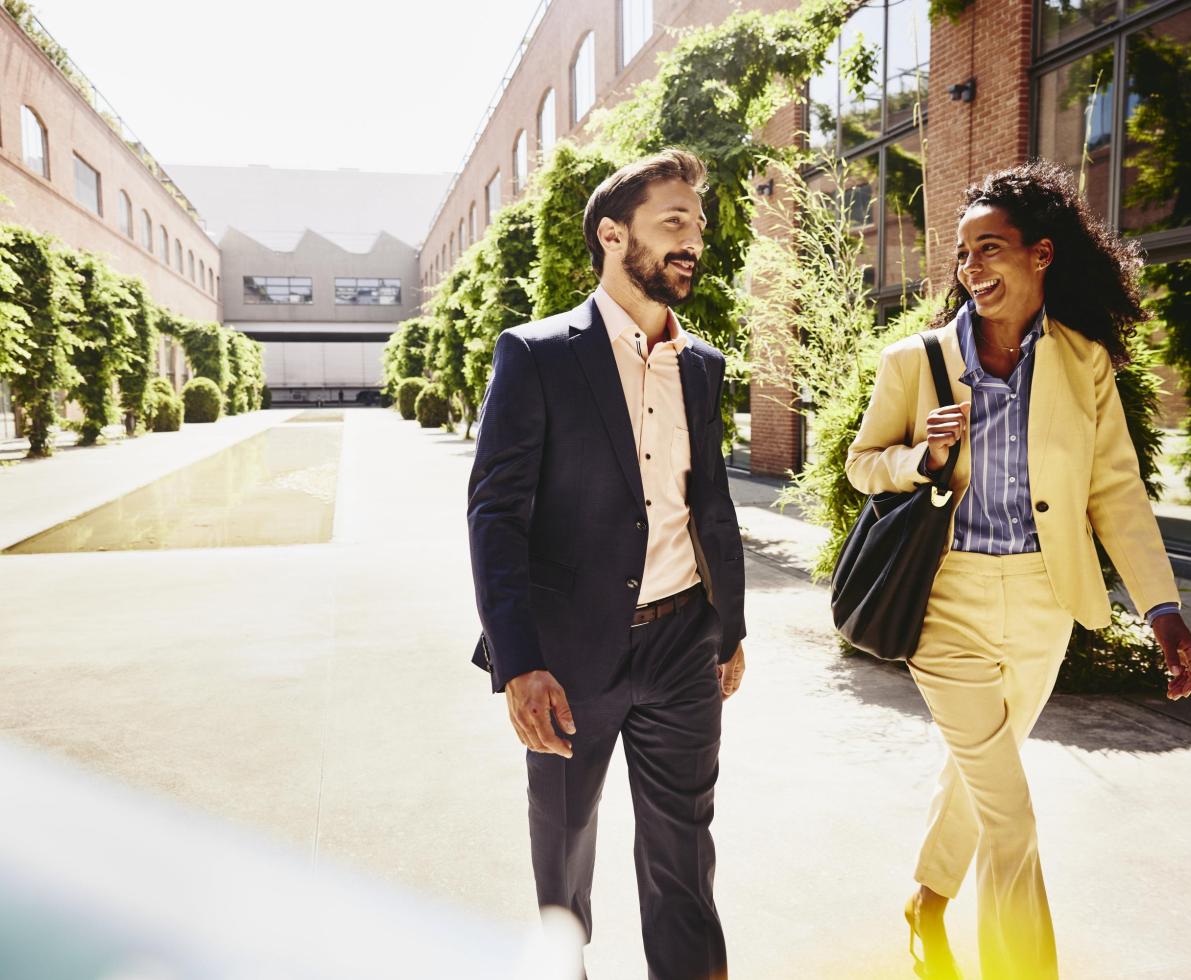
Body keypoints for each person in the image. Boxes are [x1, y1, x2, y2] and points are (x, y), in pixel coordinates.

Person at [846, 161, 1191, 980]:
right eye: (962, 256)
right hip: (945, 604)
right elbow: (863, 465)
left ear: (1039, 255)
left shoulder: (1082, 363)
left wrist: (1161, 608)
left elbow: (1115, 494)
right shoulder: (915, 361)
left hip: (1043, 605)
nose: (971, 270)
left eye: (988, 249)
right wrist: (919, 459)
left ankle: (926, 898)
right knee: (1011, 817)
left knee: (978, 778)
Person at [467, 148, 747, 980]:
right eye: (673, 223)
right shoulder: (538, 353)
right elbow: (495, 515)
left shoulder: (701, 364)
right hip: (567, 654)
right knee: (563, 847)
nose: (692, 240)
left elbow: (711, 506)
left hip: (682, 643)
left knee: (683, 854)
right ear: (612, 234)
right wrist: (519, 662)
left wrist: (727, 629)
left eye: (697, 225)